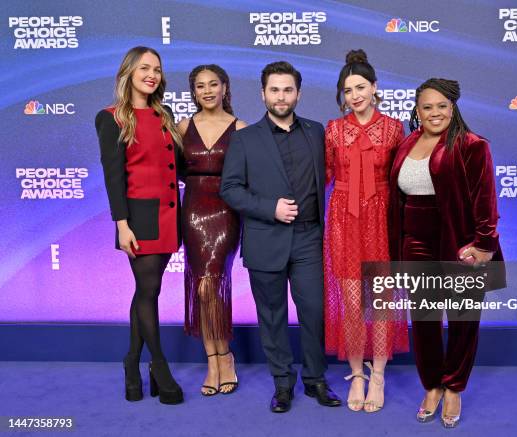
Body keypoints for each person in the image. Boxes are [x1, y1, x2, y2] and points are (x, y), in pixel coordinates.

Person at [220, 61, 341, 413]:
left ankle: (316, 380)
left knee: (314, 313)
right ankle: (282, 384)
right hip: (265, 238)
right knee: (271, 316)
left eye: (288, 89)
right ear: (262, 94)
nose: (281, 96)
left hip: (308, 239)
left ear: (298, 93)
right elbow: (230, 188)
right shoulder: (243, 139)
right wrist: (269, 207)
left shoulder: (318, 132)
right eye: (274, 89)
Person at [388, 78, 505, 427]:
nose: (435, 113)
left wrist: (484, 245)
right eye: (427, 107)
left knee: (462, 319)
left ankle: (454, 386)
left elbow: (486, 201)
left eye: (441, 106)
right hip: (415, 243)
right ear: (417, 110)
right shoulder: (407, 143)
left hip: (460, 244)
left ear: (452, 108)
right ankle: (433, 386)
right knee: (424, 320)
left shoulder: (471, 145)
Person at [95, 46, 184, 404]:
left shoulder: (165, 114)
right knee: (147, 291)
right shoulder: (111, 117)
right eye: (145, 68)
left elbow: (177, 165)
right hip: (138, 217)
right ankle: (159, 366)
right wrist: (122, 224)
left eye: (157, 69)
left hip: (169, 214)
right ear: (128, 73)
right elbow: (112, 176)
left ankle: (132, 362)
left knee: (149, 291)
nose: (152, 74)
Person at [324, 49, 409, 413]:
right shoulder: (333, 129)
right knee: (352, 298)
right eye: (348, 90)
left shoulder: (393, 128)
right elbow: (324, 175)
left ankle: (379, 374)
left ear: (375, 87)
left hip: (380, 216)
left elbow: (403, 177)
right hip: (344, 215)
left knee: (380, 298)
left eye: (360, 87)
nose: (355, 95)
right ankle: (357, 373)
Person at [178, 64, 246, 396]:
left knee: (212, 286)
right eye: (200, 86)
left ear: (224, 88)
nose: (207, 91)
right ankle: (213, 360)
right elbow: (172, 171)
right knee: (202, 287)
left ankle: (226, 357)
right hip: (192, 213)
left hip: (225, 213)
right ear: (194, 92)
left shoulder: (241, 128)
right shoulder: (181, 127)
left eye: (213, 84)